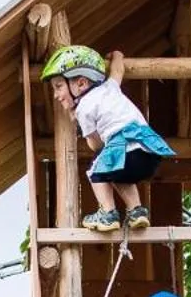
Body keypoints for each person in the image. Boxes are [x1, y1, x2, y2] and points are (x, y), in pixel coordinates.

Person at [41, 45, 175, 234]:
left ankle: (108, 213)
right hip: (149, 150)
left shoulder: (83, 108)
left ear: (80, 83)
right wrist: (117, 55)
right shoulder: (110, 87)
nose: (56, 95)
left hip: (126, 147)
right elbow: (118, 70)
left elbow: (95, 144)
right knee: (118, 172)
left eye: (58, 87)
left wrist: (79, 123)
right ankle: (137, 211)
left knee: (97, 169)